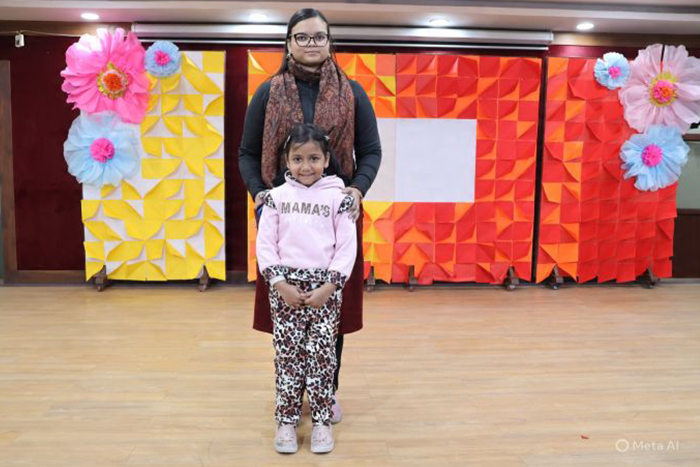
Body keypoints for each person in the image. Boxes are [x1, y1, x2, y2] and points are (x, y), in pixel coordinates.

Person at [238, 7, 382, 424]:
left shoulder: (353, 92)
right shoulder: (268, 92)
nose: (311, 44)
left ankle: (326, 392)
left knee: (330, 311)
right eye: (302, 37)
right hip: (282, 216)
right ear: (288, 43)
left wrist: (357, 189)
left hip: (336, 215)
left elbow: (370, 152)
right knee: (288, 314)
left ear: (330, 42)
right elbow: (248, 153)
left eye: (319, 36)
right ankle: (289, 395)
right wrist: (260, 195)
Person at [256, 123, 357, 453]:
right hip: (285, 290)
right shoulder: (275, 199)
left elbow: (346, 248)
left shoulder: (340, 199)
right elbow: (265, 245)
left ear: (326, 160)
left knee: (322, 357)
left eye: (314, 158)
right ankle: (286, 421)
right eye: (297, 159)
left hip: (325, 290)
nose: (306, 166)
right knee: (288, 357)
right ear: (287, 161)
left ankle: (321, 422)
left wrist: (329, 287)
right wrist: (279, 284)